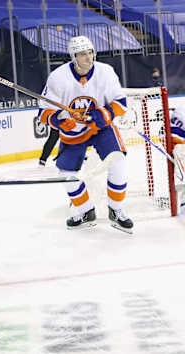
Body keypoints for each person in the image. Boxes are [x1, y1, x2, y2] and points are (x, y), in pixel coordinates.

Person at [38, 35, 133, 233]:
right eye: (83, 54)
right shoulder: (58, 77)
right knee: (66, 175)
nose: (89, 58)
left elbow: (121, 103)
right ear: (74, 57)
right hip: (74, 133)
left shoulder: (105, 72)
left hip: (101, 128)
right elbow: (43, 112)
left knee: (118, 162)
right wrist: (59, 120)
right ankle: (85, 211)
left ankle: (116, 210)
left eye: (90, 52)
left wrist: (101, 115)